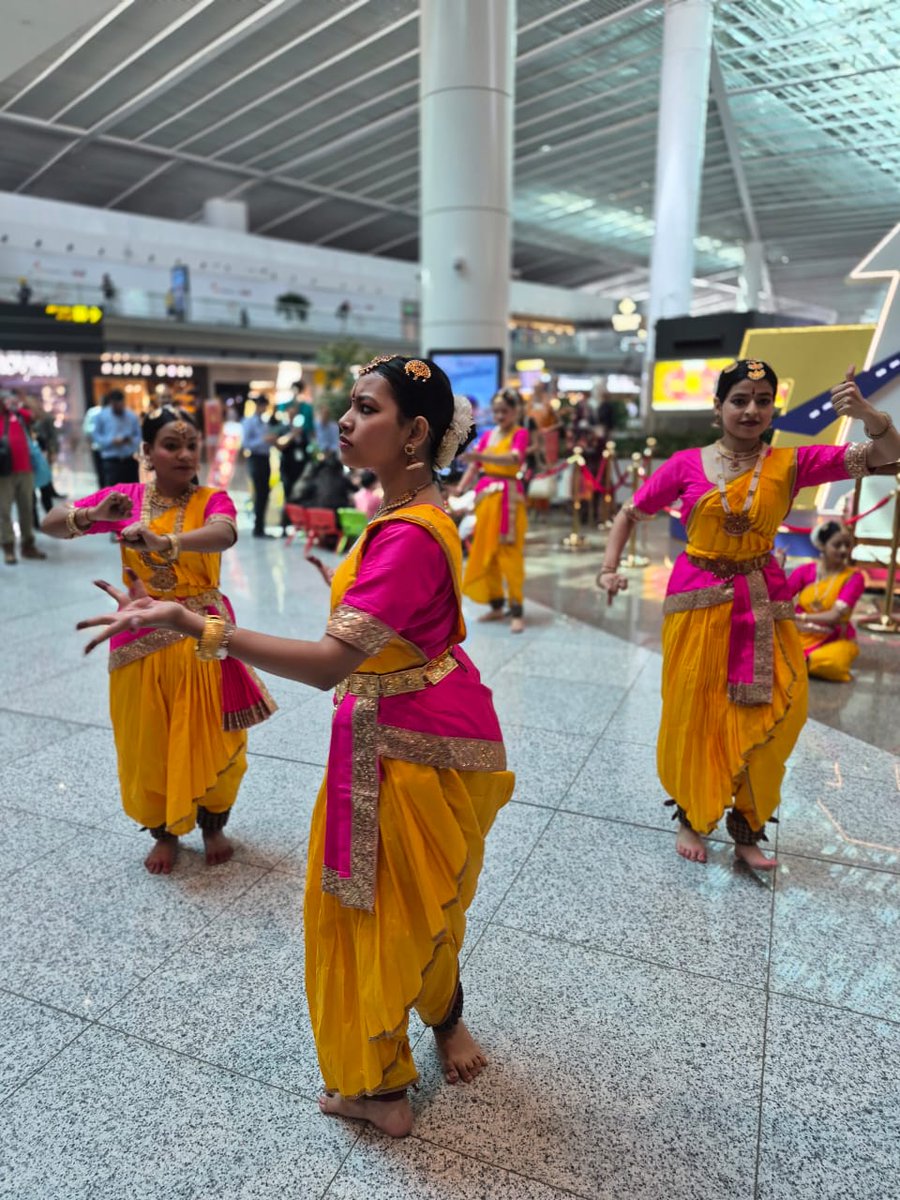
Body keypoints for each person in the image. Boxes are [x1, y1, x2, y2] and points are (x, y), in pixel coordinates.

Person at [75, 354, 514, 1139]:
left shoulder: (406, 537)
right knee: (419, 903)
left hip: (406, 746)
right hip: (428, 724)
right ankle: (444, 1024)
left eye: (366, 408)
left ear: (414, 433)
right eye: (350, 405)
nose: (346, 420)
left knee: (364, 914)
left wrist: (193, 623)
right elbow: (386, 633)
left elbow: (328, 666)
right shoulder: (412, 513)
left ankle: (381, 1090)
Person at [598, 360, 900, 870]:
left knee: (782, 708)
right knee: (697, 712)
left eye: (762, 400)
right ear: (718, 409)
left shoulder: (791, 462)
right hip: (696, 602)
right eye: (739, 399)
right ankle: (692, 814)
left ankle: (747, 824)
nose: (751, 410)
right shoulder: (685, 464)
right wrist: (609, 568)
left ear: (772, 409)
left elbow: (887, 455)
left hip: (764, 601)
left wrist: (872, 416)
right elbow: (631, 513)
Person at [42, 406, 275, 874]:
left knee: (218, 737)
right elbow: (49, 522)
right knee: (147, 742)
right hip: (139, 638)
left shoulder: (212, 498)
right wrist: (92, 515)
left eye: (191, 445)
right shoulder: (125, 497)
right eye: (172, 445)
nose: (185, 454)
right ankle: (164, 831)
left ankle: (213, 824)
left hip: (203, 636)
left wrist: (168, 543)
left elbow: (224, 534)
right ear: (147, 451)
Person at [459, 390, 529, 634]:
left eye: (505, 411)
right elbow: (475, 467)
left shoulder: (520, 434)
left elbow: (513, 460)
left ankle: (517, 609)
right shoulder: (488, 436)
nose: (500, 415)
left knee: (509, 554)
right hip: (487, 499)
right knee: (484, 551)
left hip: (509, 501)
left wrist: (479, 455)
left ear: (515, 411)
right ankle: (497, 604)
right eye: (496, 411)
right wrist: (458, 490)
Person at [788, 521, 866, 682]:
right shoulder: (805, 571)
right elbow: (780, 598)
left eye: (847, 545)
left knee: (831, 662)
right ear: (823, 546)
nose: (844, 550)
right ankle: (797, 662)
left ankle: (797, 662)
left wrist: (799, 618)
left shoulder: (854, 578)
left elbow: (835, 616)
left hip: (834, 638)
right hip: (798, 633)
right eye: (837, 545)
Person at [0, 391, 47, 564]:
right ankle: (8, 548)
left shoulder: (17, 415)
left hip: (25, 470)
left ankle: (28, 546)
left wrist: (19, 404)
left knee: (27, 508)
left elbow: (36, 415)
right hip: (3, 473)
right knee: (4, 511)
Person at [241, 394, 278, 538]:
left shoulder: (264, 423)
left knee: (264, 493)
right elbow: (246, 444)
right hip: (255, 458)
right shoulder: (249, 422)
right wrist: (263, 440)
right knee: (259, 492)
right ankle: (258, 527)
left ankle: (261, 526)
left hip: (265, 459)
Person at [275, 399, 310, 535]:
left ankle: (299, 526)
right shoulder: (282, 428)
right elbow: (280, 445)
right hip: (287, 468)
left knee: (300, 496)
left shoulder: (302, 430)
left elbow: (306, 446)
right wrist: (292, 435)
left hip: (299, 467)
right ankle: (284, 525)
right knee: (288, 496)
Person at [94, 389, 141, 486]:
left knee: (133, 490)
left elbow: (139, 435)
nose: (119, 406)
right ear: (111, 403)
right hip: (112, 461)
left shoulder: (131, 416)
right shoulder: (101, 416)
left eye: (120, 403)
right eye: (115, 404)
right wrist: (111, 441)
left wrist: (131, 442)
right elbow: (96, 436)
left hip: (130, 460)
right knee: (112, 493)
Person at [83, 396, 108, 488]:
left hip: (111, 448)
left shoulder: (112, 413)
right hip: (98, 446)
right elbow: (87, 429)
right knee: (101, 471)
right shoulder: (93, 412)